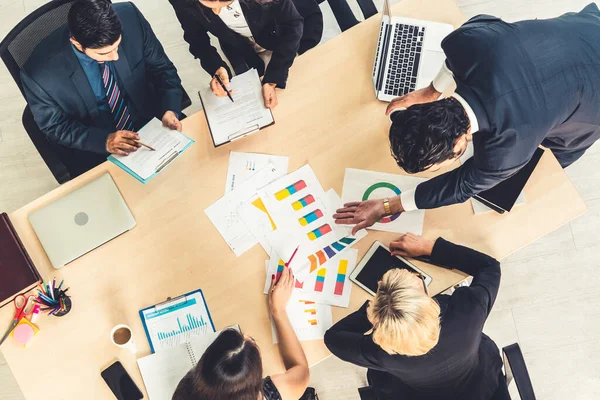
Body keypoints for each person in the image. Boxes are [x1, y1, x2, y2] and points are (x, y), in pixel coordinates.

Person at [334, 4, 600, 228]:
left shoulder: (508, 153)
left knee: (552, 162)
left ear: (459, 146)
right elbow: (477, 30)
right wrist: (430, 91)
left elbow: (460, 187)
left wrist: (388, 206)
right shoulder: (465, 42)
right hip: (586, 29)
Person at [324, 233, 505, 400]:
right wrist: (431, 248)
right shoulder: (468, 311)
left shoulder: (383, 352)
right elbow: (490, 267)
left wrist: (376, 310)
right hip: (482, 386)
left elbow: (332, 338)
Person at [21, 0, 185, 177]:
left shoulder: (131, 17)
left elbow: (163, 70)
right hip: (97, 143)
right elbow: (55, 127)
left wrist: (170, 109)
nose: (114, 57)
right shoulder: (39, 74)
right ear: (76, 44)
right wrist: (105, 141)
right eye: (104, 53)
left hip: (152, 120)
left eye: (117, 46)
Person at [172, 266, 310, 400]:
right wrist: (278, 310)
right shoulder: (270, 394)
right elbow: (301, 372)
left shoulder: (184, 392)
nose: (247, 336)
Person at [168, 0, 323, 109]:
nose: (216, 12)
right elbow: (197, 39)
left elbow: (292, 25)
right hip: (244, 43)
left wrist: (274, 77)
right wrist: (216, 67)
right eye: (209, 3)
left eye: (224, 4)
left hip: (292, 32)